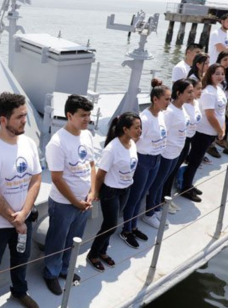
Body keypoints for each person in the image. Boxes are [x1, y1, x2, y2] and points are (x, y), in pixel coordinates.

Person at [0, 92, 42, 308]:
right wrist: (16, 219)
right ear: (4, 120)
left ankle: (19, 291)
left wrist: (23, 214)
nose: (25, 120)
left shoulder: (29, 144)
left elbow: (36, 178)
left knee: (21, 258)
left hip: (22, 219)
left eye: (25, 115)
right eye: (19, 116)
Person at [43, 94, 96, 295]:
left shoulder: (87, 135)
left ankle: (65, 269)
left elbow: (91, 165)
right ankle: (51, 273)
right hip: (64, 204)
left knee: (74, 239)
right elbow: (56, 178)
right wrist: (75, 201)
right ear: (69, 115)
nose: (87, 119)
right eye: (83, 115)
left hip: (84, 201)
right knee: (57, 240)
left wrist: (92, 192)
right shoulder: (57, 143)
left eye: (89, 115)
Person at [86, 113, 141, 271]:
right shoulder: (112, 149)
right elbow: (100, 174)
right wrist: (95, 192)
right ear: (125, 129)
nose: (140, 131)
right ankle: (93, 254)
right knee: (111, 225)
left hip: (125, 189)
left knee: (111, 223)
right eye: (136, 127)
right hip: (111, 191)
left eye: (140, 127)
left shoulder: (132, 143)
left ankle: (103, 251)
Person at [119, 83, 169, 249]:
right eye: (166, 99)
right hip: (143, 161)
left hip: (155, 160)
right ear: (155, 99)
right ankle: (126, 230)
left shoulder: (160, 115)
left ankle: (133, 226)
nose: (169, 102)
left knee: (141, 195)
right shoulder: (145, 119)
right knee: (135, 196)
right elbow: (134, 140)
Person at [145, 79, 192, 224]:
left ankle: (157, 207)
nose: (192, 94)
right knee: (158, 183)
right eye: (189, 92)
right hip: (166, 153)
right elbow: (163, 132)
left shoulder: (182, 108)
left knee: (164, 181)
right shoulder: (170, 112)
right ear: (179, 93)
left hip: (176, 153)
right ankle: (149, 213)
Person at [181, 64, 227, 202]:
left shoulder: (219, 89)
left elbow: (222, 112)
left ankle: (189, 184)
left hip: (213, 132)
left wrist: (222, 129)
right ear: (210, 75)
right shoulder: (208, 92)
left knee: (198, 159)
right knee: (195, 160)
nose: (220, 76)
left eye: (222, 73)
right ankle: (186, 187)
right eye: (216, 73)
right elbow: (210, 115)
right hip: (204, 132)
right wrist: (219, 130)